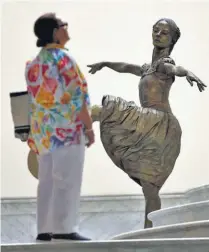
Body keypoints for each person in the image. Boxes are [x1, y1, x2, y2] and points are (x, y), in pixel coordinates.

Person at [88, 18, 206, 229]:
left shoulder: (164, 63)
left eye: (164, 32)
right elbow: (125, 66)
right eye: (155, 30)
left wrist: (188, 73)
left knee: (112, 107)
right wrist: (105, 64)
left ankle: (74, 121)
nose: (158, 34)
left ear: (171, 40)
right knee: (149, 189)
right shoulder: (148, 68)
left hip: (160, 125)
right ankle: (149, 230)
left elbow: (175, 69)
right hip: (149, 123)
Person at [25, 13, 94, 241]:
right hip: (67, 130)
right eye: (63, 25)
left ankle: (44, 229)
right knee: (67, 178)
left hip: (44, 132)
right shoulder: (64, 60)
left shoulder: (34, 64)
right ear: (55, 32)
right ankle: (64, 229)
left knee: (46, 180)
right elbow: (77, 97)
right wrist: (89, 127)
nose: (67, 28)